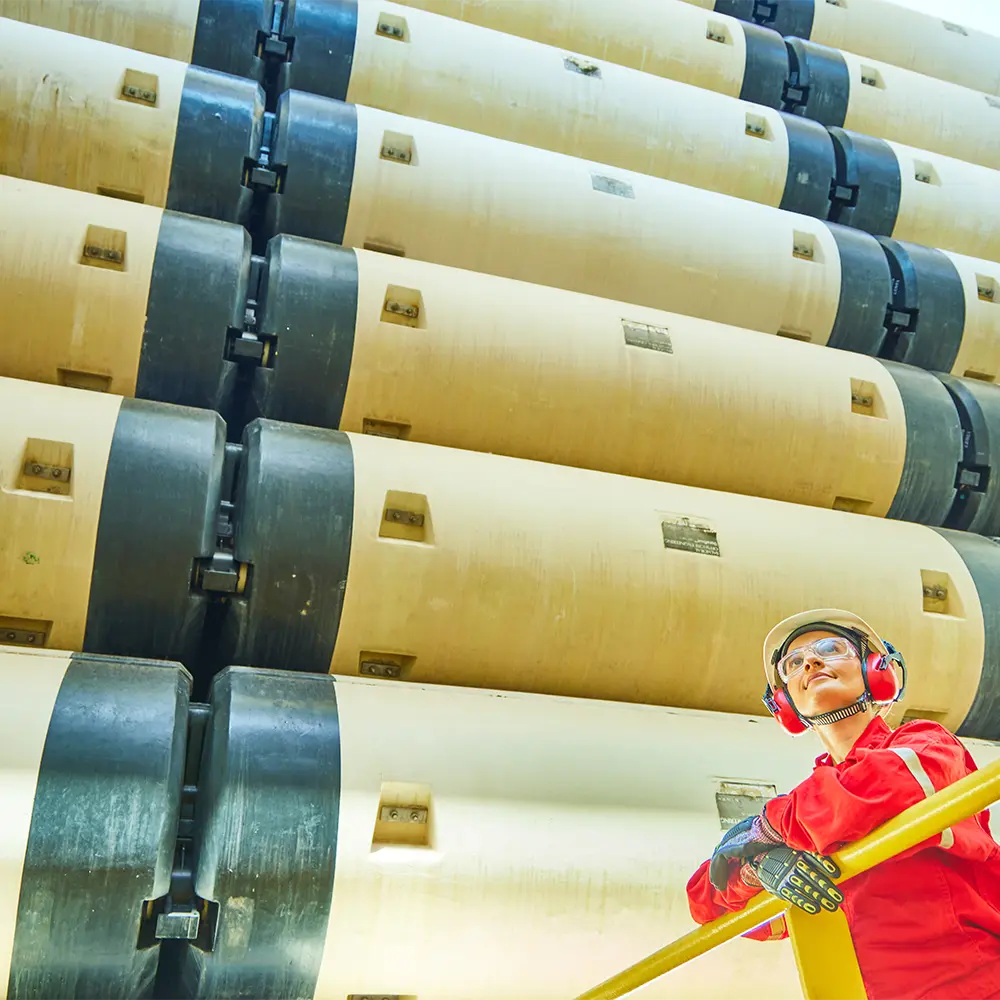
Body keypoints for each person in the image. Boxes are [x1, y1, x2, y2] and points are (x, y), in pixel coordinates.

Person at [686, 608, 1000, 1000]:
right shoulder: (808, 818)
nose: (811, 663)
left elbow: (877, 791)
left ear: (875, 669)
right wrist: (757, 870)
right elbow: (705, 904)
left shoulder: (928, 747)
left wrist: (764, 829)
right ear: (784, 703)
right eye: (794, 663)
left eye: (831, 649)